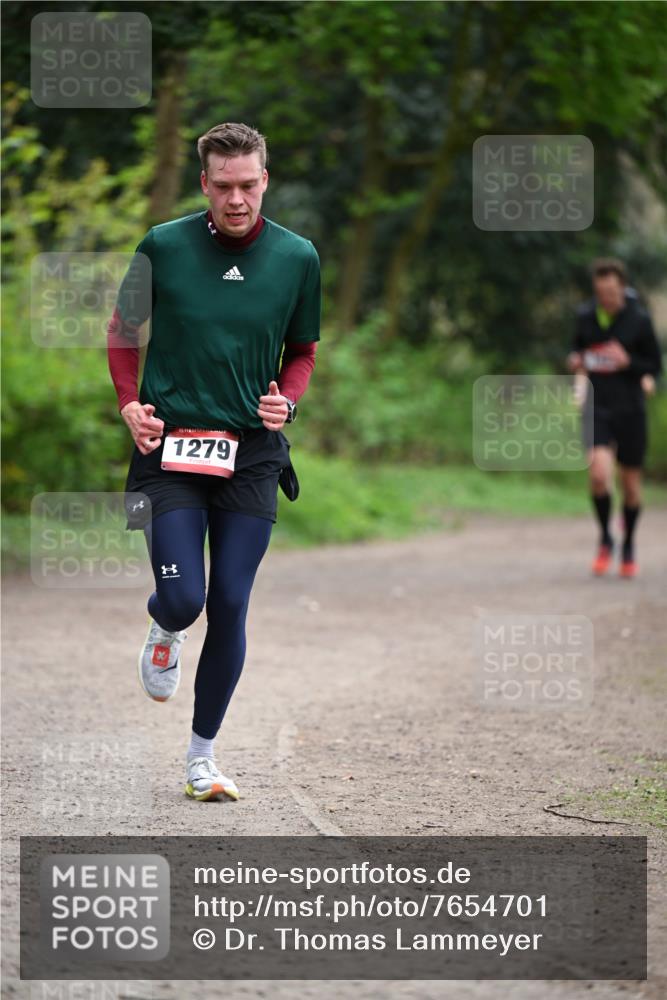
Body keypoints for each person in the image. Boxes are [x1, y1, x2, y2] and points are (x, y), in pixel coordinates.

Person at [107, 122, 321, 800]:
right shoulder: (164, 245)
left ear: (266, 179)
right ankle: (164, 622)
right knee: (184, 597)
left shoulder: (297, 257)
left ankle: (202, 759)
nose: (237, 200)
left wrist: (285, 402)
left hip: (251, 455)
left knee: (229, 602)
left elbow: (303, 353)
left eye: (249, 185)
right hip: (168, 447)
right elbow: (121, 333)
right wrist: (128, 404)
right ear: (204, 183)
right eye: (223, 186)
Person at [567, 258, 662, 578]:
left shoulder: (639, 319)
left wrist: (628, 363)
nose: (605, 298)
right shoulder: (585, 316)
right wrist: (575, 363)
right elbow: (575, 352)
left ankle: (630, 543)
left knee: (631, 486)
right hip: (597, 405)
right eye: (599, 292)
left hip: (630, 408)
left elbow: (653, 367)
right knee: (597, 474)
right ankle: (606, 538)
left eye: (610, 291)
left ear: (622, 287)